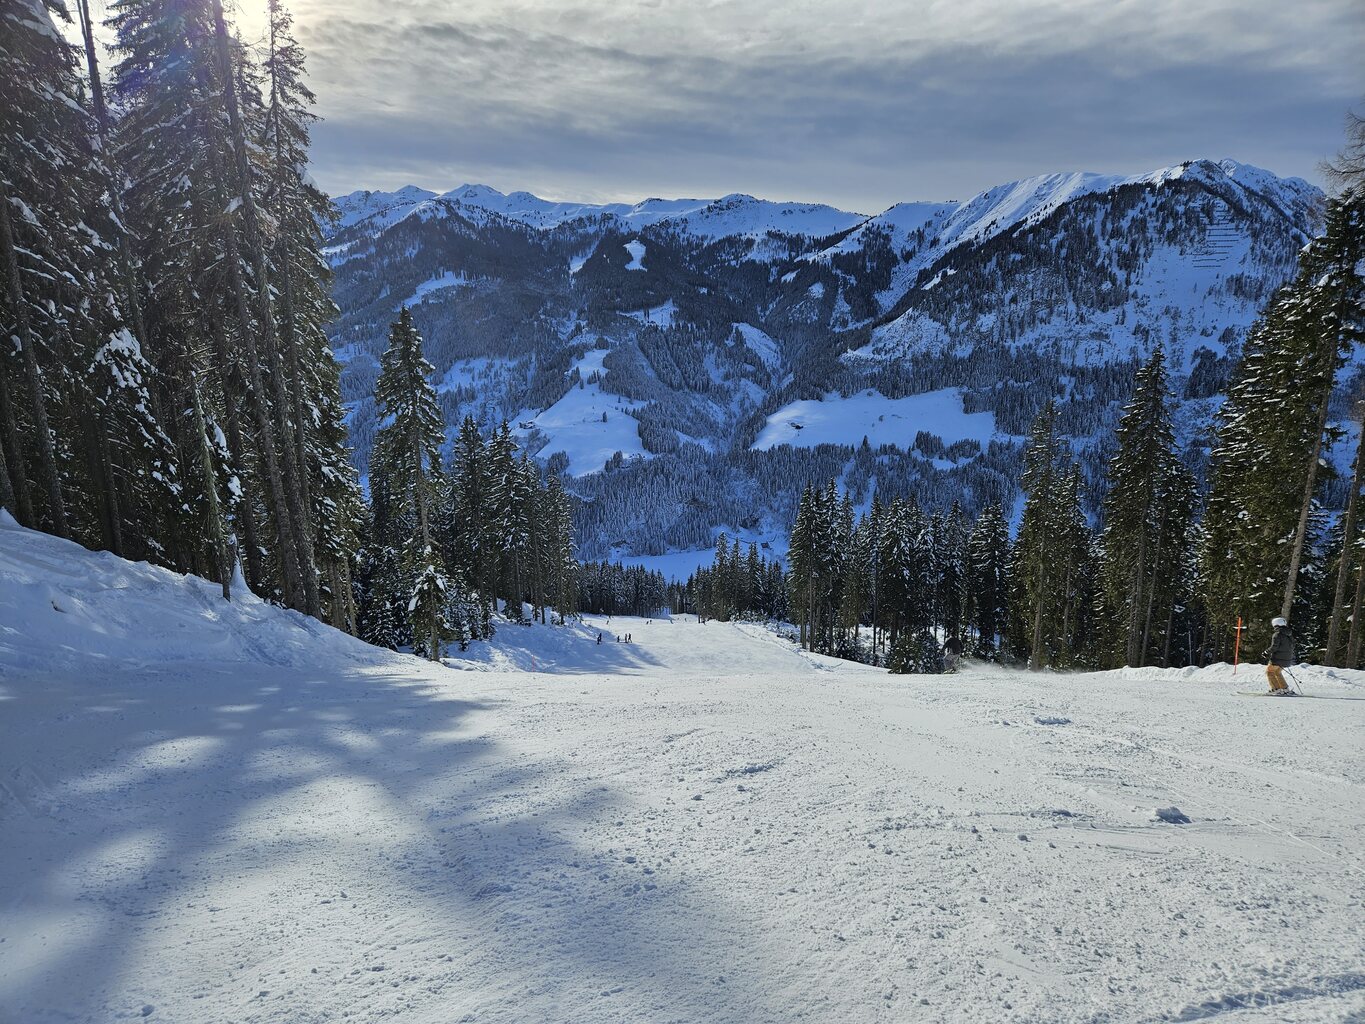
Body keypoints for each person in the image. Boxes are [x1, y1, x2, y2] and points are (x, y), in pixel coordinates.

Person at [1262, 616, 1295, 695]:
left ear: (1275, 624)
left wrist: (1266, 652)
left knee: (1269, 672)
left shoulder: (1277, 634)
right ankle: (1284, 689)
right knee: (1277, 672)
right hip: (1287, 658)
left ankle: (1276, 689)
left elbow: (1274, 647)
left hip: (1278, 658)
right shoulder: (1289, 634)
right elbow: (1293, 645)